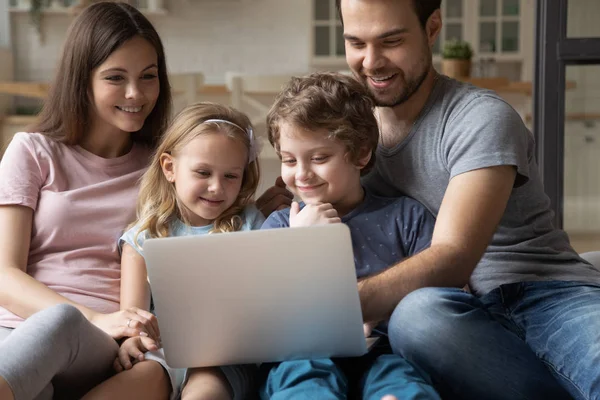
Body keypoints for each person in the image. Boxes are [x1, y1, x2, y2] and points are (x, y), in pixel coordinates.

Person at [336, 1, 600, 399]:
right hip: (449, 317)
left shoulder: (479, 118)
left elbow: (455, 256)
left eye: (391, 41)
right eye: (356, 43)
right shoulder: (349, 135)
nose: (371, 61)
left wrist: (334, 306)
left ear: (432, 27)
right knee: (417, 315)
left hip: (544, 294)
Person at [0, 3, 172, 399]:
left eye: (149, 77)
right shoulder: (32, 151)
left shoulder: (163, 167)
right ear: (83, 80)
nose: (136, 93)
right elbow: (5, 273)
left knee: (61, 323)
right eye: (115, 77)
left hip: (97, 348)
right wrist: (95, 318)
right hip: (14, 329)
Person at [259, 72, 441, 400]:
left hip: (387, 350)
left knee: (404, 382)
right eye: (289, 160)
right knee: (302, 379)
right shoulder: (280, 225)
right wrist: (302, 244)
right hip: (305, 352)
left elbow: (439, 297)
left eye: (319, 158)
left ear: (360, 154)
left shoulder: (406, 217)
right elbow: (266, 314)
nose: (301, 174)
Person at [115, 102, 265, 400]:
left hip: (224, 358)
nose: (216, 187)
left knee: (203, 391)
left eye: (230, 176)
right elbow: (132, 316)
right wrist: (131, 340)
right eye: (203, 172)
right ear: (170, 168)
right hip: (162, 351)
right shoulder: (142, 237)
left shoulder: (251, 224)